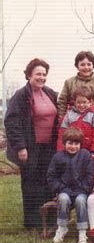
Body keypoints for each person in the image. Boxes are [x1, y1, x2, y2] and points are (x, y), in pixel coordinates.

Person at [5, 58, 58, 231]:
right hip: (30, 148)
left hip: (48, 147)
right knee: (31, 184)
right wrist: (20, 147)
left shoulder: (51, 93)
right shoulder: (21, 95)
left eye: (44, 74)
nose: (41, 77)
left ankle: (49, 219)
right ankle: (32, 222)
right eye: (38, 74)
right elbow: (11, 122)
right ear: (29, 75)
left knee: (48, 183)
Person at [46, 128, 94, 243]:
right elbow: (51, 176)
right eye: (70, 143)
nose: (73, 146)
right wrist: (61, 188)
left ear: (80, 144)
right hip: (64, 190)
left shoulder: (86, 155)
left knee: (81, 200)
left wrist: (83, 189)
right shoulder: (58, 157)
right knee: (63, 199)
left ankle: (82, 231)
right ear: (64, 144)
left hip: (81, 190)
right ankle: (62, 227)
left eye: (76, 143)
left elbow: (90, 175)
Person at [57, 51, 94, 118]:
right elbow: (62, 101)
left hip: (91, 117)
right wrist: (61, 117)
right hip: (71, 117)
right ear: (77, 66)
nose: (86, 67)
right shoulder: (69, 82)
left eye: (89, 64)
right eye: (82, 65)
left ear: (93, 65)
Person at [57, 87, 94, 155]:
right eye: (78, 102)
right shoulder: (69, 115)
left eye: (84, 102)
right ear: (74, 102)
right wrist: (60, 151)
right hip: (71, 149)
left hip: (88, 151)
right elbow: (62, 134)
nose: (81, 105)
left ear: (90, 102)